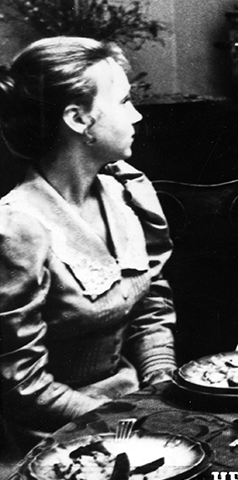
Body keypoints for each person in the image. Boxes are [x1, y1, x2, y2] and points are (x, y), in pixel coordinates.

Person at [0, 37, 175, 453]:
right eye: (124, 101)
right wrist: (125, 422)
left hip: (134, 409)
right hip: (49, 439)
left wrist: (162, 385)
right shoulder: (17, 229)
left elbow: (151, 306)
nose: (136, 115)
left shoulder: (127, 192)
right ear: (79, 119)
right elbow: (22, 385)